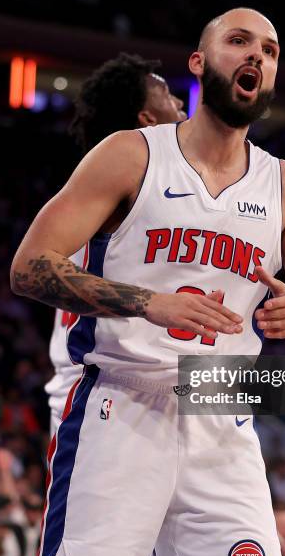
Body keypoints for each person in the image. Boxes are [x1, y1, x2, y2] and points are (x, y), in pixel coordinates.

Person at [11, 7, 285, 556]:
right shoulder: (130, 153)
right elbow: (29, 266)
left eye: (268, 51)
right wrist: (147, 301)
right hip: (120, 403)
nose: (256, 57)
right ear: (198, 62)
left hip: (220, 410)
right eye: (238, 41)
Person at [45, 52, 186, 437]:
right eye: (170, 96)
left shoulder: (177, 187)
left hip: (173, 391)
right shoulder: (120, 184)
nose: (182, 105)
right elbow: (30, 268)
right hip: (102, 392)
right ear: (147, 118)